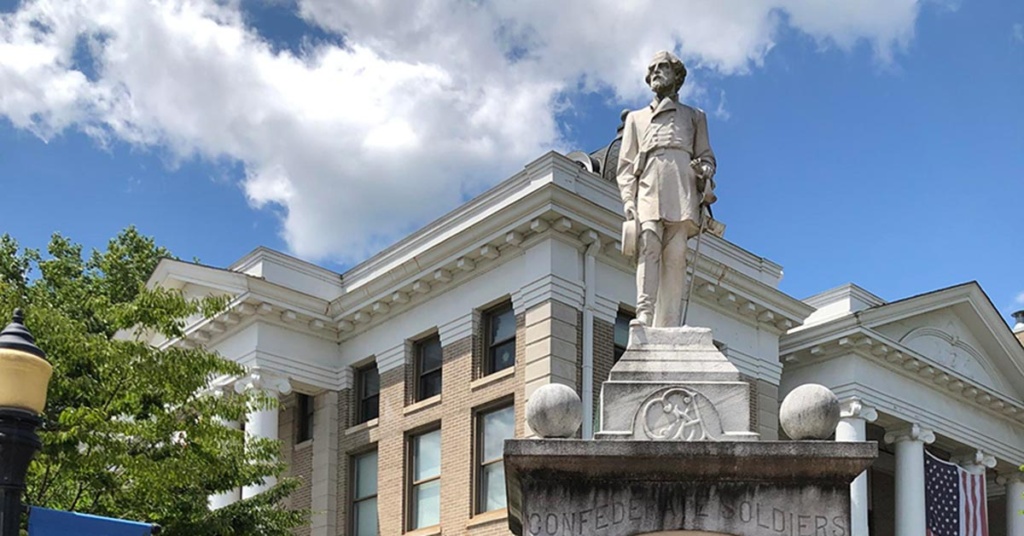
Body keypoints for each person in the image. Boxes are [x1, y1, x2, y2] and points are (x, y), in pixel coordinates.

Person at [616, 50, 717, 327]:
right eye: (653, 69)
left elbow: (707, 155)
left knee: (676, 255)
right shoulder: (636, 119)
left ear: (677, 76)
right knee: (649, 245)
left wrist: (705, 170)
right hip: (649, 186)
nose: (656, 72)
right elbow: (625, 167)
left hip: (681, 187)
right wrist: (628, 201)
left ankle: (670, 321)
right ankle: (644, 313)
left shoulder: (695, 116)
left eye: (663, 67)